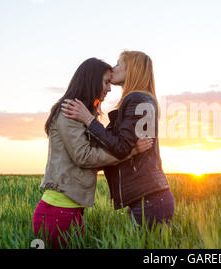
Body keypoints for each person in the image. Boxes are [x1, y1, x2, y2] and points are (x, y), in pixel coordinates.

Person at [33, 57, 153, 249]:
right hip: (58, 209)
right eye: (106, 82)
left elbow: (102, 151)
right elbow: (85, 157)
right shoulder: (68, 111)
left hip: (71, 209)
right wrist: (131, 151)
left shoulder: (82, 112)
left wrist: (93, 118)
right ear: (91, 80)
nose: (109, 88)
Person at [61, 51, 174, 229]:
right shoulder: (142, 99)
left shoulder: (135, 99)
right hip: (149, 196)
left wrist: (88, 120)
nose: (114, 69)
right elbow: (116, 144)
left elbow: (121, 147)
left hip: (148, 198)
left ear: (133, 70)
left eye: (119, 64)